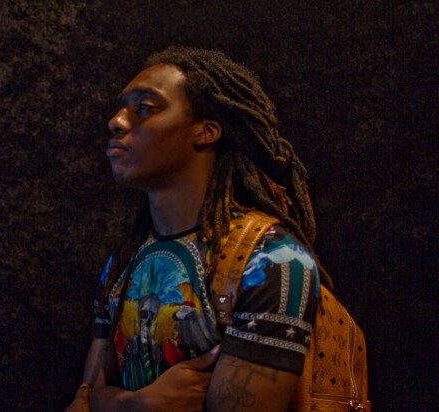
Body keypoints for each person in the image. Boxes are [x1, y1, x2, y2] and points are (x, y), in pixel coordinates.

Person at [66, 46, 330, 411]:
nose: (116, 121)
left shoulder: (273, 263)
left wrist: (108, 402)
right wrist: (138, 406)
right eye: (122, 107)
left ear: (206, 131)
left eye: (145, 107)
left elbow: (94, 399)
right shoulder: (124, 263)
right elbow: (82, 402)